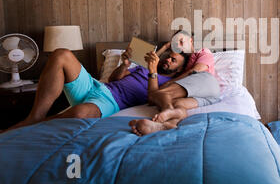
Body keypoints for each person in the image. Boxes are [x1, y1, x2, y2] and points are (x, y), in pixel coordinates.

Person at [3, 41, 188, 133]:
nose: (168, 60)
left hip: (110, 101)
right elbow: (114, 78)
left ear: (180, 69)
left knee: (79, 114)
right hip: (97, 86)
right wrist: (125, 64)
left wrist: (153, 70)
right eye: (168, 56)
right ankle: (36, 116)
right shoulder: (140, 68)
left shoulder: (170, 83)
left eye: (174, 61)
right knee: (61, 54)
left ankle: (31, 125)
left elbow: (152, 96)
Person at [129, 30, 221, 136]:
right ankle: (167, 124)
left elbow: (195, 71)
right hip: (207, 98)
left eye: (181, 41)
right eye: (176, 44)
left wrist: (167, 85)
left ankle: (166, 111)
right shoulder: (180, 64)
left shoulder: (202, 52)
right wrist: (164, 48)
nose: (179, 46)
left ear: (191, 41)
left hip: (207, 83)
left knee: (160, 95)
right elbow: (149, 63)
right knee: (175, 104)